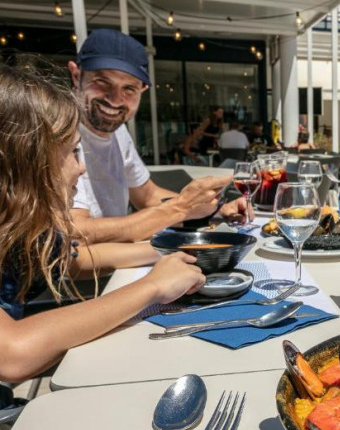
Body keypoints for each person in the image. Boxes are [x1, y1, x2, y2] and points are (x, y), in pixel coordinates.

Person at [0, 64, 205, 386]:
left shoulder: (17, 225)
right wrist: (152, 287)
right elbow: (12, 354)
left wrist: (171, 250)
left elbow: (73, 259)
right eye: (71, 152)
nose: (81, 168)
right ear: (23, 159)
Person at [67, 29, 248, 243]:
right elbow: (76, 233)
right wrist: (180, 208)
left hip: (123, 257)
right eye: (102, 82)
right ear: (76, 75)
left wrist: (214, 209)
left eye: (129, 88)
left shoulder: (117, 131)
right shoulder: (58, 132)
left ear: (142, 90)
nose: (115, 100)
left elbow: (147, 196)